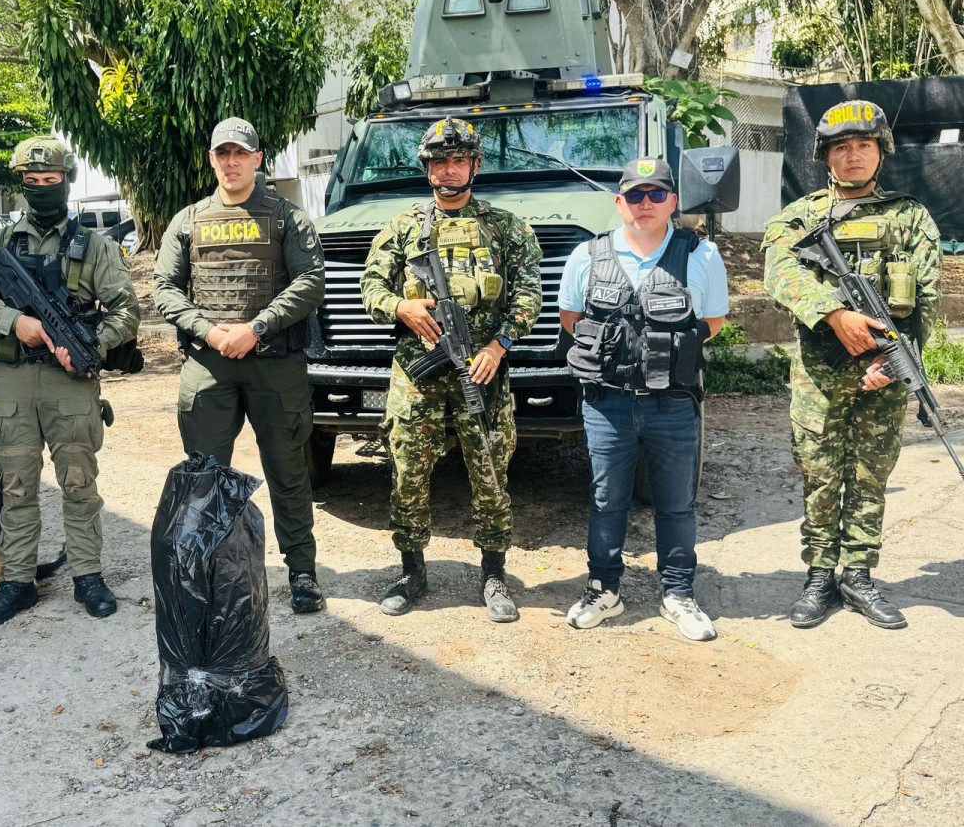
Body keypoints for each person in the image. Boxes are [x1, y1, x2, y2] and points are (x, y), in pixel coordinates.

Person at [0, 136, 140, 626]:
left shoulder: (93, 245)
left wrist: (90, 346)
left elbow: (126, 309)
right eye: (31, 182)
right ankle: (16, 583)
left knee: (79, 484)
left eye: (49, 180)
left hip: (69, 383)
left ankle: (88, 576)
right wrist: (14, 322)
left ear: (66, 181)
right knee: (16, 489)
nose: (40, 188)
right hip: (11, 380)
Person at [762, 100, 940, 630]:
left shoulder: (909, 216)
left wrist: (896, 361)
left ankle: (858, 574)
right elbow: (780, 272)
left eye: (864, 145)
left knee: (869, 476)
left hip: (880, 375)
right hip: (819, 376)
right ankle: (819, 575)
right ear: (826, 157)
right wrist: (835, 313)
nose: (854, 155)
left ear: (879, 152)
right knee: (819, 475)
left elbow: (926, 301)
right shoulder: (799, 217)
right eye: (842, 147)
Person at [360, 118, 542, 622]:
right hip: (417, 377)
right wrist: (402, 309)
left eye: (458, 160)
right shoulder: (401, 229)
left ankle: (493, 574)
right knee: (407, 474)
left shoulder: (507, 228)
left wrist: (499, 345)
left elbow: (529, 293)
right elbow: (370, 287)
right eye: (439, 161)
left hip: (481, 374)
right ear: (428, 169)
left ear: (475, 166)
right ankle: (412, 572)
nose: (448, 169)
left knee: (490, 472)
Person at [153, 117, 327, 614]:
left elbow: (311, 281)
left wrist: (257, 328)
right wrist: (208, 330)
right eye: (222, 153)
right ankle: (213, 571)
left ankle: (302, 573)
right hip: (210, 365)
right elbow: (164, 287)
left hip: (273, 363)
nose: (231, 162)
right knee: (204, 475)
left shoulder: (288, 218)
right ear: (211, 159)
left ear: (257, 159)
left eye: (240, 153)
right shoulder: (187, 220)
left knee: (287, 470)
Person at [559, 158, 727, 642]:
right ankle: (604, 589)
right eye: (636, 195)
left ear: (674, 201)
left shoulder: (701, 255)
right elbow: (572, 317)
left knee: (676, 503)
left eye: (657, 194)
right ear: (619, 203)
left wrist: (664, 351)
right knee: (606, 500)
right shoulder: (586, 255)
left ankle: (678, 593)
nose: (646, 204)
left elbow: (712, 321)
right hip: (607, 402)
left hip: (672, 402)